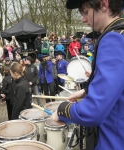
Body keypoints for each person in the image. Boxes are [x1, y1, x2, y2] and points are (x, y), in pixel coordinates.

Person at [52, 0, 124, 150]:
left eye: (85, 12)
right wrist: (87, 91)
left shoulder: (114, 39)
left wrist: (62, 110)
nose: (83, 19)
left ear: (104, 4)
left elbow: (93, 112)